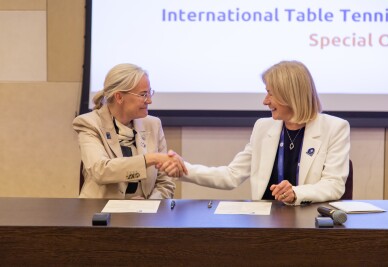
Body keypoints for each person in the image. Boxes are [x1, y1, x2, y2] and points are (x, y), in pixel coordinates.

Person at [165, 60, 350, 205]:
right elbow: (231, 175)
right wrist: (183, 169)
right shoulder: (263, 127)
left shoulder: (335, 128)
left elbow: (333, 185)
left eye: (271, 94)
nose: (265, 101)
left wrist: (296, 193)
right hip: (265, 224)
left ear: (290, 95)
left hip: (310, 222)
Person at [73, 63, 187, 199]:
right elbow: (100, 170)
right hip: (99, 214)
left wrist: (147, 206)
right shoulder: (89, 123)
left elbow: (165, 183)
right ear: (119, 97)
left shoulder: (153, 124)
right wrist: (151, 158)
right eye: (143, 94)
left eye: (149, 93)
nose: (149, 100)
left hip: (143, 218)